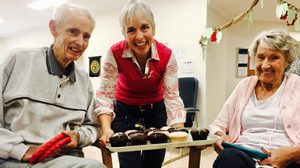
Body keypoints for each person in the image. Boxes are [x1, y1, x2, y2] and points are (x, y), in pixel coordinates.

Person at [0, 3, 105, 168]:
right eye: (73, 32)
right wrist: (21, 150)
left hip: (65, 160)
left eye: (86, 36)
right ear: (53, 28)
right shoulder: (17, 61)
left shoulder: (84, 80)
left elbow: (94, 126)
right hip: (14, 160)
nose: (80, 42)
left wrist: (78, 136)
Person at [94, 0, 186, 167]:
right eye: (131, 30)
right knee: (130, 164)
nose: (139, 36)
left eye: (144, 27)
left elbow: (172, 96)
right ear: (124, 33)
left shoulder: (167, 55)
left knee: (154, 163)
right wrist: (107, 129)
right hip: (125, 111)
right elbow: (106, 95)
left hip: (156, 111)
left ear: (153, 28)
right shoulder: (114, 53)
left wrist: (178, 130)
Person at [209, 29, 300, 168]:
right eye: (260, 57)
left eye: (274, 57)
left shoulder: (297, 85)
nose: (265, 65)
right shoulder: (245, 85)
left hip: (287, 161)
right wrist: (221, 135)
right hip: (245, 155)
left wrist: (292, 153)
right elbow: (218, 124)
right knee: (227, 158)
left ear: (288, 61)